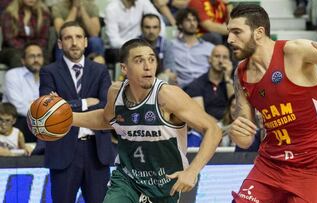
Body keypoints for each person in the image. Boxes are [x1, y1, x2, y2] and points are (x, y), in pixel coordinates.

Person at [227, 3, 317, 203]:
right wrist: (237, 133)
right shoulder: (240, 74)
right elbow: (245, 139)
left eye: (237, 32)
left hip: (313, 163)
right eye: (229, 32)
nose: (230, 39)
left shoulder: (294, 51)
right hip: (270, 164)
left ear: (259, 33)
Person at [71, 38, 222, 203]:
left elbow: (213, 129)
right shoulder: (116, 93)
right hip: (127, 180)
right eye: (139, 61)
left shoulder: (168, 95)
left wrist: (193, 170)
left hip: (165, 184)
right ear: (124, 68)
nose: (148, 66)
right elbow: (105, 119)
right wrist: (70, 118)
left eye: (151, 59)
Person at [38, 21, 114, 203]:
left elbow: (106, 106)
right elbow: (48, 109)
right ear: (59, 43)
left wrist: (65, 104)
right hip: (63, 150)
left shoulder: (100, 70)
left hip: (96, 151)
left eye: (78, 37)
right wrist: (85, 102)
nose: (74, 42)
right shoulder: (48, 72)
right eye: (68, 38)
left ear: (86, 42)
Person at [2, 43, 44, 143]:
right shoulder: (13, 75)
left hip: (39, 120)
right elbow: (18, 107)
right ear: (23, 60)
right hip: (17, 120)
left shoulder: (47, 77)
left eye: (39, 56)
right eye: (32, 56)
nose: (36, 60)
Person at [185, 44, 234, 121]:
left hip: (231, 126)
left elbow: (235, 106)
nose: (221, 61)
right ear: (210, 59)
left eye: (225, 57)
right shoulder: (196, 84)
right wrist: (220, 127)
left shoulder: (232, 84)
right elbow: (200, 116)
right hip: (207, 128)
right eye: (217, 56)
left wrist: (227, 78)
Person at [0, 0, 50, 68]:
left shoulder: (44, 14)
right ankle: (21, 78)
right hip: (12, 49)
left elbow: (43, 38)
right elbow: (9, 39)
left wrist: (33, 49)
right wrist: (27, 50)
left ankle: (41, 78)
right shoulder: (9, 13)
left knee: (45, 55)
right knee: (17, 56)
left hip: (36, 47)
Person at [172, 8, 214, 87]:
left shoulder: (209, 47)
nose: (192, 23)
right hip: (182, 87)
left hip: (204, 87)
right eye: (188, 20)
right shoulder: (172, 45)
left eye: (194, 20)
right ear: (180, 24)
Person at [139, 13, 176, 84]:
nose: (151, 31)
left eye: (155, 27)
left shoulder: (166, 44)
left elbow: (171, 71)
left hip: (161, 82)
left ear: (160, 29)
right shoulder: (134, 45)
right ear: (141, 29)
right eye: (147, 27)